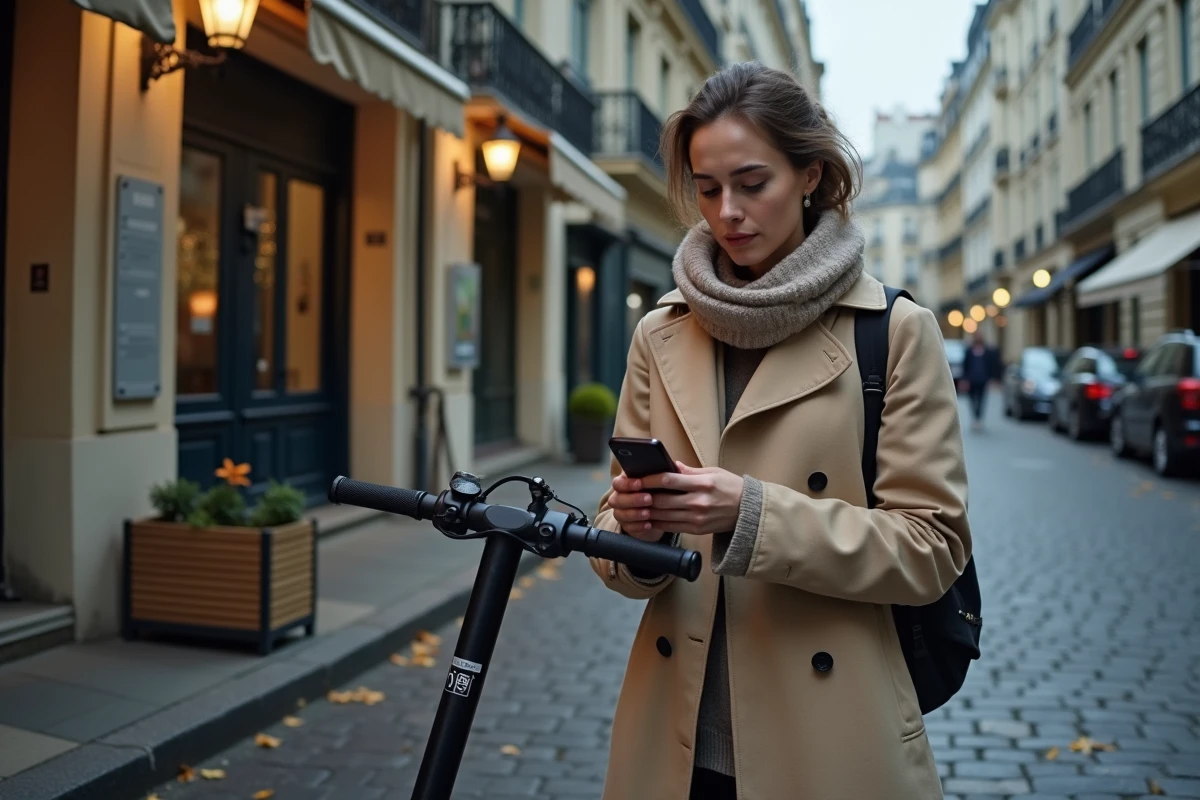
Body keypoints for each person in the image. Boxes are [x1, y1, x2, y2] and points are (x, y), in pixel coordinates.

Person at [587, 62, 971, 800]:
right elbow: (616, 538)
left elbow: (934, 547)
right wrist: (635, 532)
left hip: (828, 738)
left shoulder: (892, 332)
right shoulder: (661, 331)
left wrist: (752, 514)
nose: (726, 210)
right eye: (706, 188)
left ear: (810, 175)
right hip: (675, 738)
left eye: (752, 182)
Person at [961, 332, 1001, 431]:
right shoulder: (969, 351)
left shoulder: (987, 351)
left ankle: (978, 418)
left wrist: (993, 378)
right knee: (972, 400)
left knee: (981, 399)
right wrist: (964, 379)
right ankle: (975, 416)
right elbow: (965, 365)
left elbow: (992, 365)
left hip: (983, 379)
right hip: (971, 379)